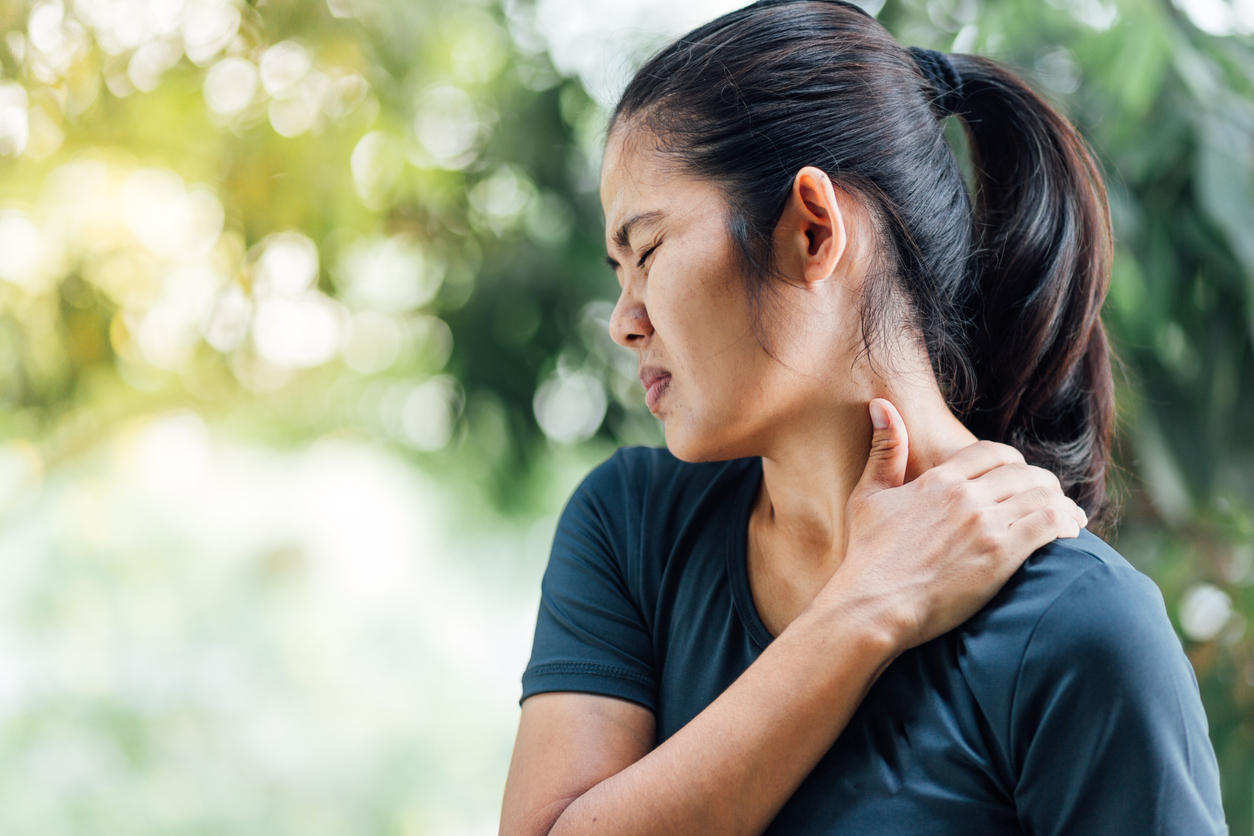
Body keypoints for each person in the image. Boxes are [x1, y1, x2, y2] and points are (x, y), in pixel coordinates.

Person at [500, 1, 1227, 833]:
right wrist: (868, 607)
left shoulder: (1079, 629)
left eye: (650, 250)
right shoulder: (634, 525)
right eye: (617, 268)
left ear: (812, 231)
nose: (623, 319)